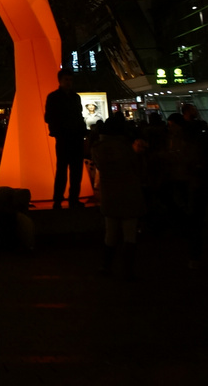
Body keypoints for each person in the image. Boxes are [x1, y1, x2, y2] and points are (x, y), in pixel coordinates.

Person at [92, 116, 145, 278]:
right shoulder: (125, 147)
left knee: (111, 233)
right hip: (129, 192)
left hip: (109, 193)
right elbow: (135, 167)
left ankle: (106, 266)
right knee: (129, 233)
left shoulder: (98, 147)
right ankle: (127, 269)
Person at [43, 69, 85, 208]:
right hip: (65, 137)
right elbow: (49, 117)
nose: (69, 82)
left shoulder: (70, 97)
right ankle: (62, 198)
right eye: (67, 80)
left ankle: (68, 198)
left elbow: (78, 116)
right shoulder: (56, 97)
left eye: (70, 80)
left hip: (71, 137)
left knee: (73, 170)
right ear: (60, 81)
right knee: (65, 169)